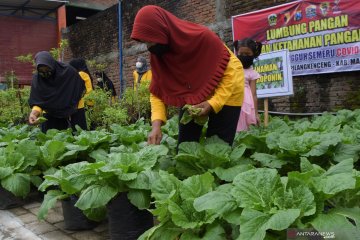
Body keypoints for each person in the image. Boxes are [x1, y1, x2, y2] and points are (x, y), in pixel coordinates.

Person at [131, 5, 244, 146]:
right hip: (192, 92)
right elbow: (157, 91)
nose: (148, 46)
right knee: (185, 145)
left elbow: (233, 70)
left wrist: (213, 103)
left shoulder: (201, 37)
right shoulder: (160, 55)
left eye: (150, 40)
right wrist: (156, 126)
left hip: (229, 88)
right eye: (145, 42)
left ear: (162, 31)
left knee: (218, 148)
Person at [28, 51, 85, 132]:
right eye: (42, 71)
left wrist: (70, 109)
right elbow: (38, 100)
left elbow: (78, 90)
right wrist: (34, 114)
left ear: (52, 64)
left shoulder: (68, 72)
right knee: (51, 139)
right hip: (50, 112)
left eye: (48, 69)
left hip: (74, 109)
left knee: (77, 137)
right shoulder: (38, 79)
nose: (46, 73)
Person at [234, 38, 262, 131]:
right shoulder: (232, 68)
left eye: (247, 54)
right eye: (241, 54)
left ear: (253, 55)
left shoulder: (252, 73)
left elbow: (254, 95)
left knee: (245, 128)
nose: (244, 56)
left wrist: (256, 114)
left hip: (247, 102)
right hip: (234, 100)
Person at [69, 58, 94, 130]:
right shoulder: (85, 73)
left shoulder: (81, 74)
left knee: (81, 123)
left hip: (84, 102)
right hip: (89, 101)